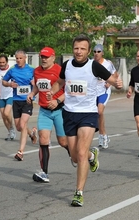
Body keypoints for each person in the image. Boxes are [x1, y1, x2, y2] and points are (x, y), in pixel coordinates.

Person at [49, 34, 122, 206]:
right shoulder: (67, 66)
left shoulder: (94, 66)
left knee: (80, 153)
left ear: (89, 51)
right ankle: (92, 155)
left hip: (88, 113)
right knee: (75, 156)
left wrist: (117, 83)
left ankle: (79, 192)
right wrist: (51, 93)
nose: (79, 51)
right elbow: (59, 83)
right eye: (76, 48)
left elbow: (111, 79)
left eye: (82, 48)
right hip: (69, 113)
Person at [26, 47, 71, 183]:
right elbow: (37, 86)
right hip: (44, 111)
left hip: (59, 110)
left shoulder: (59, 70)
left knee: (63, 142)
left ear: (53, 57)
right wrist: (32, 94)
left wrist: (57, 101)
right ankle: (44, 172)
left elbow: (69, 89)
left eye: (46, 57)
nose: (43, 59)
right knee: (43, 139)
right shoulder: (37, 71)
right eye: (42, 57)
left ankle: (74, 155)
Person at [2, 50, 36, 161]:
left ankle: (20, 152)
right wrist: (10, 84)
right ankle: (32, 133)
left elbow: (38, 81)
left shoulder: (31, 69)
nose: (18, 60)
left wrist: (34, 83)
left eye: (20, 58)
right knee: (19, 127)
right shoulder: (12, 70)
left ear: (25, 58)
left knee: (22, 124)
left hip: (27, 100)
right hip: (16, 100)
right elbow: (3, 81)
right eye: (17, 58)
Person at [93, 44, 118, 149]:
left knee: (100, 112)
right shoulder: (91, 63)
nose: (96, 54)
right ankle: (104, 135)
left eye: (98, 51)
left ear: (102, 53)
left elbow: (115, 74)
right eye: (94, 51)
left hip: (104, 91)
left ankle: (102, 136)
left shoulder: (108, 64)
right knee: (96, 114)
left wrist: (110, 82)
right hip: (94, 92)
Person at [0, 54, 16, 140]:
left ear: (7, 62)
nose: (2, 64)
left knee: (7, 113)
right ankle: (10, 131)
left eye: (3, 62)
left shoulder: (11, 70)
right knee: (3, 115)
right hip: (1, 95)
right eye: (0, 62)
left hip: (10, 94)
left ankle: (12, 127)